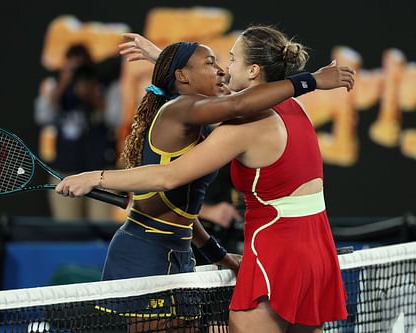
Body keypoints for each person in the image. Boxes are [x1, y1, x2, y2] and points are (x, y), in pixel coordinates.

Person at [56, 26, 354, 332]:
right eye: (215, 63)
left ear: (253, 70)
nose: (224, 70)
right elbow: (217, 105)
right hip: (315, 251)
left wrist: (96, 177)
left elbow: (226, 105)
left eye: (230, 60)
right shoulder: (295, 107)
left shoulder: (242, 122)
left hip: (272, 255)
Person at [34, 43, 115, 222]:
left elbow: (115, 118)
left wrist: (94, 97)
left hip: (100, 170)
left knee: (103, 227)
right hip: (64, 169)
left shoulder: (104, 83)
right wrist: (63, 84)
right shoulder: (54, 82)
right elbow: (43, 117)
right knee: (67, 228)